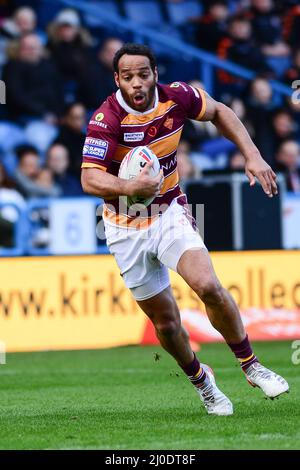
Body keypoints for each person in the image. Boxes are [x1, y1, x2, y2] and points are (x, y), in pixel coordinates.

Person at [81, 43, 289, 416]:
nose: (136, 82)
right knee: (166, 322)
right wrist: (130, 188)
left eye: (143, 74)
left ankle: (250, 364)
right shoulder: (106, 118)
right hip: (122, 228)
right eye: (127, 76)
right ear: (117, 80)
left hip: (168, 212)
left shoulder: (177, 97)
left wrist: (253, 155)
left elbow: (220, 111)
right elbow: (89, 178)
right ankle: (202, 382)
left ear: (155, 74)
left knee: (207, 284)